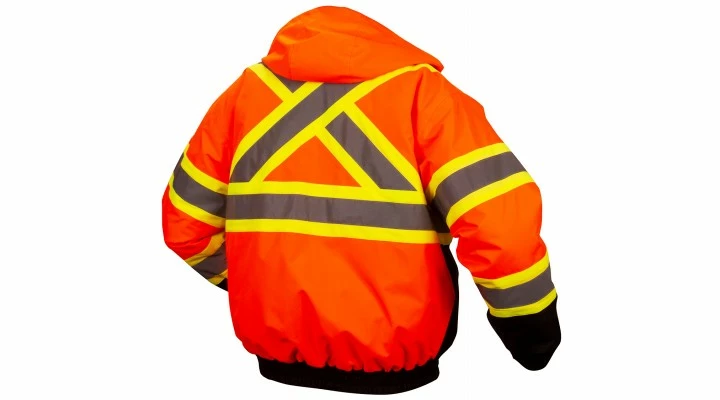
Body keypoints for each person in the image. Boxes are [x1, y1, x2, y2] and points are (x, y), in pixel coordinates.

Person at [161, 5, 561, 395]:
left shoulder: (244, 95)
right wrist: (531, 332)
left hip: (274, 364)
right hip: (398, 359)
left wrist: (266, 290)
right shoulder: (423, 95)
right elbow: (500, 225)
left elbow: (185, 224)